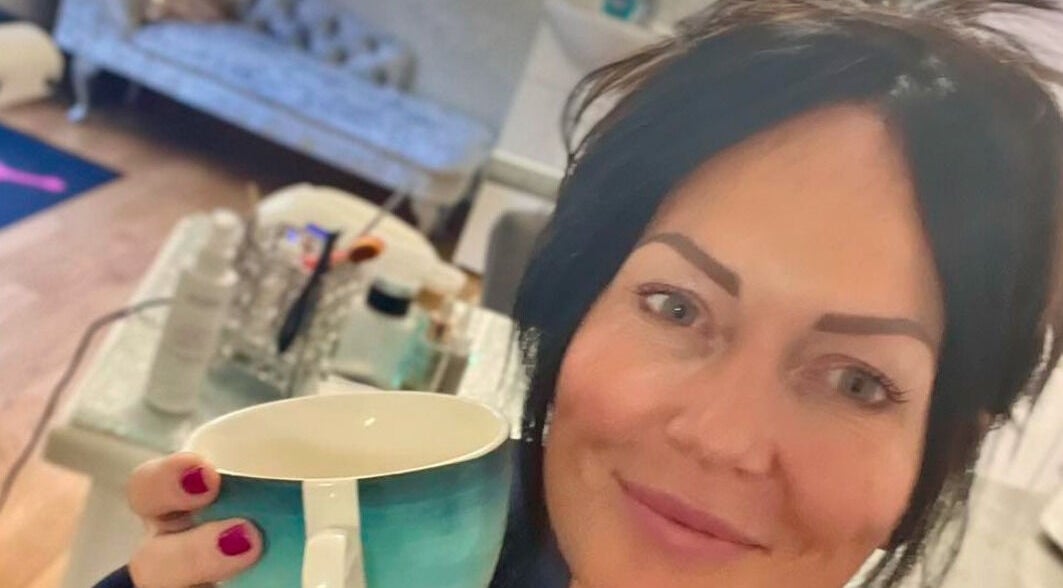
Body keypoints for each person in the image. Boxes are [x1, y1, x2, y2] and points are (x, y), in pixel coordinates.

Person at [96, 1, 1063, 586]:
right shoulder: (410, 544)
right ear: (579, 298)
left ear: (943, 445)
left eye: (857, 380)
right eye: (677, 307)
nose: (721, 438)